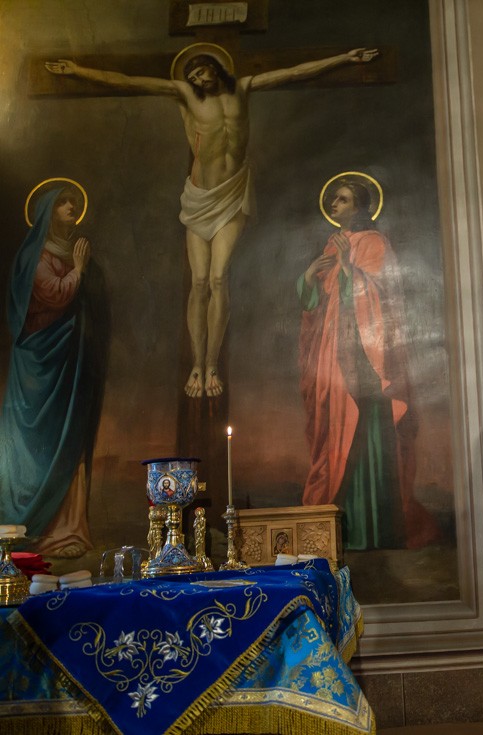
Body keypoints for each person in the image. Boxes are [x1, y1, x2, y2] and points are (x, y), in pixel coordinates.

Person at [45, 44, 378, 398]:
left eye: (200, 72)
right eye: (192, 76)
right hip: (200, 198)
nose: (197, 79)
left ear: (214, 67)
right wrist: (77, 71)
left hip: (232, 194)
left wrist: (344, 58)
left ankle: (211, 364)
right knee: (199, 280)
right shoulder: (187, 95)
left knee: (219, 278)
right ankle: (196, 364)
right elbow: (128, 81)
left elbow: (294, 72)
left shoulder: (243, 87)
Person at [297, 178, 440, 551]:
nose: (334, 203)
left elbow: (380, 299)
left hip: (365, 364)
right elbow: (316, 305)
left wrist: (348, 269)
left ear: (359, 207)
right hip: (333, 355)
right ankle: (338, 530)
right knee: (333, 437)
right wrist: (309, 277)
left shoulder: (375, 243)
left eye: (342, 199)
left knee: (364, 439)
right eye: (332, 198)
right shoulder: (332, 245)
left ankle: (372, 532)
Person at [0, 184, 108, 558]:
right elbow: (56, 294)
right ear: (47, 213)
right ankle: (28, 528)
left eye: (74, 202)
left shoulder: (76, 252)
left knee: (69, 437)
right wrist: (78, 270)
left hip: (68, 363)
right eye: (63, 202)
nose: (71, 207)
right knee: (41, 445)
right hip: (38, 365)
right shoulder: (35, 256)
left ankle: (68, 530)